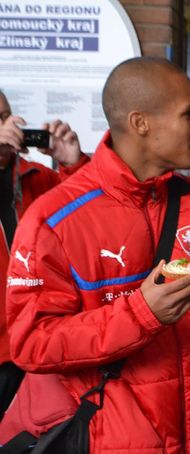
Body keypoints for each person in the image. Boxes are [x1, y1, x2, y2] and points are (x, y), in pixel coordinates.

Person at [2, 57, 190, 453]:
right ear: (140, 123)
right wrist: (141, 314)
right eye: (189, 113)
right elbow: (31, 343)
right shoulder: (53, 219)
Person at [0, 90, 89, 418]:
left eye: (6, 116)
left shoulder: (37, 177)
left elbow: (91, 217)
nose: (6, 125)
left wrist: (73, 163)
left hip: (37, 343)